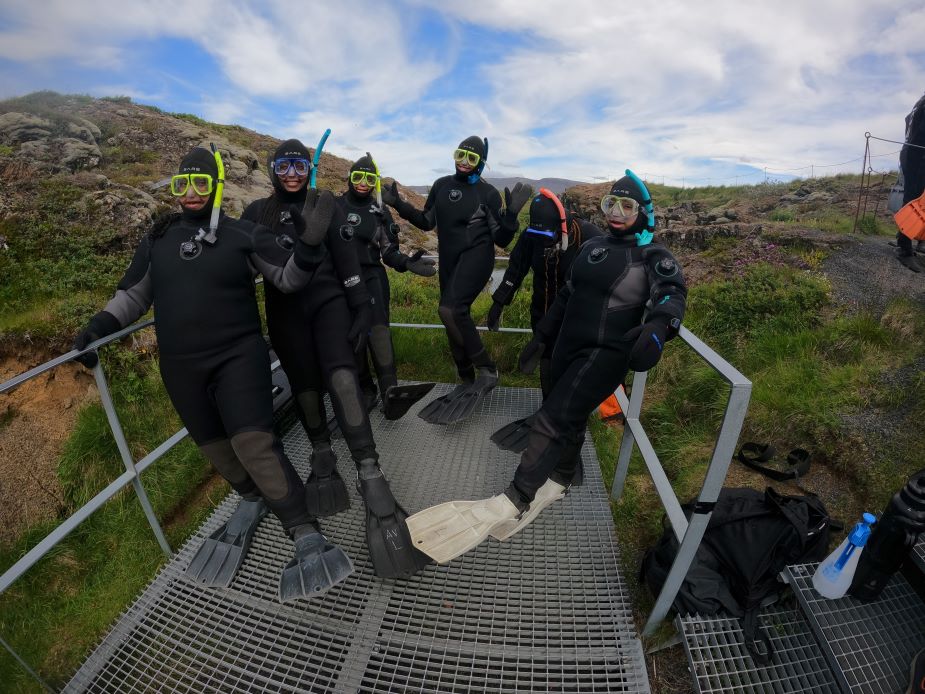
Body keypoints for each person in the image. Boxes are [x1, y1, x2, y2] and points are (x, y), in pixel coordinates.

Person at [72, 146, 354, 601]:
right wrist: (97, 330)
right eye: (181, 184)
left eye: (200, 183)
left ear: (217, 186)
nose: (189, 193)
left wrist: (309, 246)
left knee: (253, 444)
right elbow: (132, 296)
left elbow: (288, 280)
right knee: (216, 450)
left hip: (237, 357)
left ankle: (305, 534)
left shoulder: (244, 235)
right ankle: (251, 497)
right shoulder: (158, 238)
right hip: (181, 367)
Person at [406, 170, 687, 563]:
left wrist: (658, 327)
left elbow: (672, 295)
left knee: (552, 418)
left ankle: (516, 496)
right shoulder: (595, 246)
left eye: (628, 206)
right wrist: (540, 338)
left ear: (645, 213)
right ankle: (560, 477)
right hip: (567, 346)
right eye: (611, 204)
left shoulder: (654, 255)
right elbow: (566, 294)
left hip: (605, 354)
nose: (618, 213)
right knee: (567, 417)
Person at [242, 139, 428, 579]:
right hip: (285, 314)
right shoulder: (255, 214)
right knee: (305, 386)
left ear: (309, 168)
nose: (292, 171)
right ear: (272, 168)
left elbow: (347, 256)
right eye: (284, 164)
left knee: (343, 377)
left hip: (329, 304)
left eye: (299, 164)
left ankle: (368, 466)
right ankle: (322, 450)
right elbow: (242, 265)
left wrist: (361, 305)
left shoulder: (325, 203)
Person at [381, 136, 533, 424]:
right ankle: (466, 379)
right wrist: (398, 203)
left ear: (481, 162)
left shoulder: (487, 194)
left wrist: (511, 215)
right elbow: (427, 221)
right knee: (450, 319)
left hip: (477, 257)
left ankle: (487, 370)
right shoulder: (441, 186)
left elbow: (501, 239)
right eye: (460, 154)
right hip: (451, 259)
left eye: (471, 157)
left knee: (450, 309)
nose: (463, 161)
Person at [485, 188, 608, 456]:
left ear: (561, 225)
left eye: (548, 236)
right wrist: (498, 303)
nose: (543, 242)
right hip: (542, 309)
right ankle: (548, 411)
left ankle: (565, 417)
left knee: (568, 362)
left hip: (576, 314)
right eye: (538, 236)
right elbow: (515, 269)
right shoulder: (532, 237)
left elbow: (614, 269)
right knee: (546, 358)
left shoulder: (587, 236)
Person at [340, 153, 438, 419]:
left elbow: (388, 252)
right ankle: (366, 390)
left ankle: (390, 393)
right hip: (340, 281)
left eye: (369, 178)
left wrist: (407, 263)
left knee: (379, 334)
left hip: (372, 279)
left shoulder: (380, 212)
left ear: (374, 181)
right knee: (351, 338)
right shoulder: (334, 207)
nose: (362, 182)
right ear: (349, 177)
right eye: (357, 176)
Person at [896, 91, 925, 273]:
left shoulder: (920, 102)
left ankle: (915, 240)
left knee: (914, 197)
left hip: (911, 152)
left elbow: (908, 120)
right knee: (914, 200)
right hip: (919, 155)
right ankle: (904, 248)